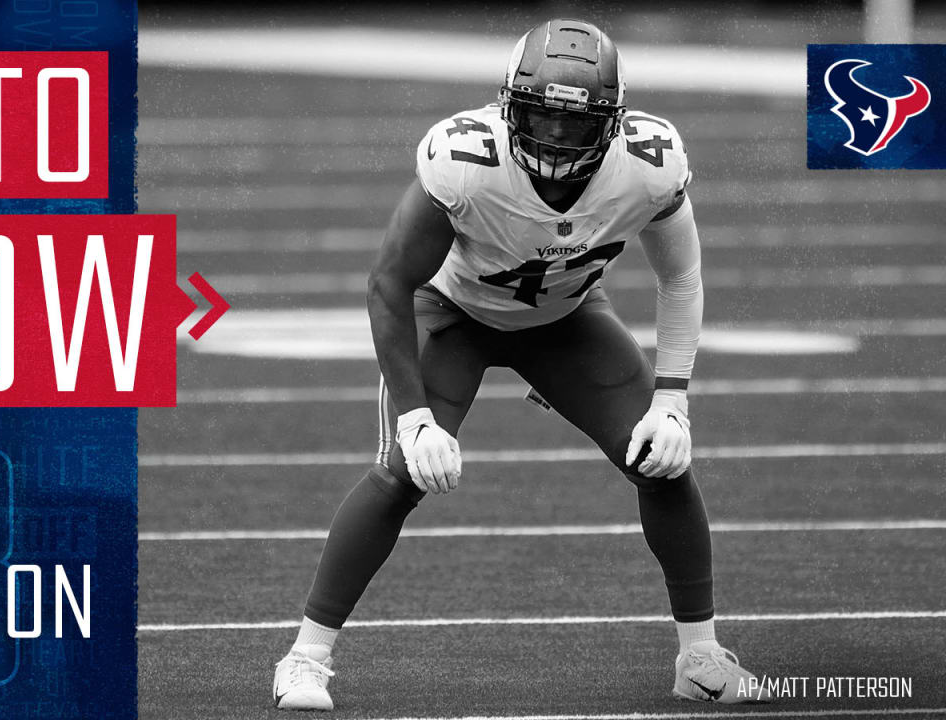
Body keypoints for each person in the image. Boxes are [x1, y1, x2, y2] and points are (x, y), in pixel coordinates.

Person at [272, 18, 774, 710]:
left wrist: (673, 398)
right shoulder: (465, 161)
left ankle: (700, 657)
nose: (557, 139)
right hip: (452, 315)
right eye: (542, 119)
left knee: (660, 458)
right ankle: (304, 657)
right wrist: (416, 419)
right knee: (399, 474)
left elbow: (680, 277)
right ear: (508, 106)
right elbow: (389, 282)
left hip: (564, 321)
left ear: (615, 122)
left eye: (578, 125)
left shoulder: (649, 164)